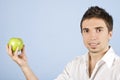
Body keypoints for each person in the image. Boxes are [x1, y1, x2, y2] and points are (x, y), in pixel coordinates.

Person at [6, 6, 120, 80]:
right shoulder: (74, 65)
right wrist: (24, 66)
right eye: (86, 31)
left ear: (110, 34)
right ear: (82, 34)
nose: (92, 37)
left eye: (99, 30)